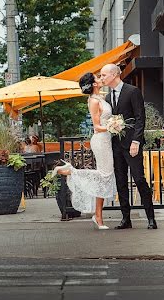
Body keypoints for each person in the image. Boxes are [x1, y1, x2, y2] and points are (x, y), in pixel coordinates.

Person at [52, 72, 116, 230]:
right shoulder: (93, 101)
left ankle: (98, 215)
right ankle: (69, 172)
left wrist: (112, 125)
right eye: (97, 78)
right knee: (104, 176)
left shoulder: (101, 97)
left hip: (107, 140)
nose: (100, 79)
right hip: (101, 140)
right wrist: (113, 127)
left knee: (104, 177)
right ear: (94, 84)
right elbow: (96, 127)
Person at [100, 63, 156, 230]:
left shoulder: (133, 91)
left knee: (139, 179)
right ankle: (126, 219)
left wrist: (136, 141)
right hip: (116, 145)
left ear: (114, 75)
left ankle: (151, 218)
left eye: (104, 75)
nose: (102, 78)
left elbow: (140, 118)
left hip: (132, 144)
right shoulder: (108, 98)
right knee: (121, 182)